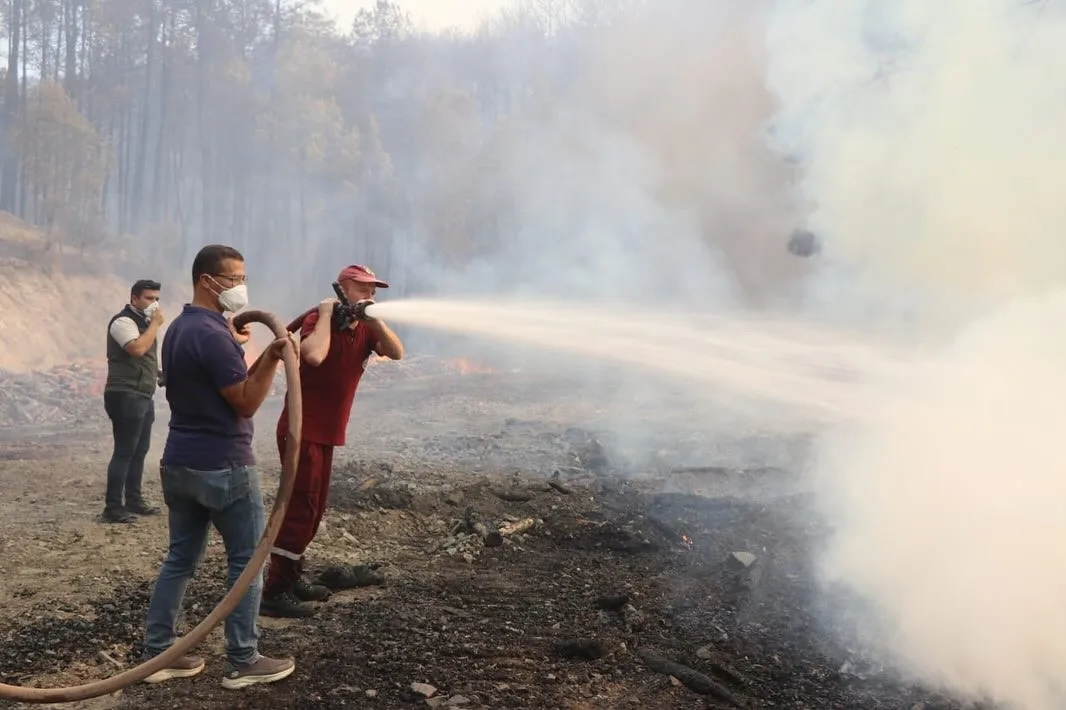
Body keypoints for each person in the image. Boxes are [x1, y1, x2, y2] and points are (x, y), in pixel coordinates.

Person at [141, 244, 297, 689]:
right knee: (247, 561)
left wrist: (234, 345)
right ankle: (243, 659)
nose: (241, 287)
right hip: (225, 466)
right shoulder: (213, 337)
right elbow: (245, 402)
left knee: (181, 559)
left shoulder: (181, 329)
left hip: (180, 463)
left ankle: (159, 652)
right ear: (207, 281)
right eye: (234, 279)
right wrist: (268, 359)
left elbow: (202, 373)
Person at [259, 264, 404, 618]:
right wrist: (325, 314)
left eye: (374, 290)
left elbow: (396, 352)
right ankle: (275, 591)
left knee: (312, 509)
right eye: (363, 289)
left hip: (326, 432)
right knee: (298, 510)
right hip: (300, 430)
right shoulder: (316, 322)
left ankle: (291, 579)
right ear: (343, 289)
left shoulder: (367, 329)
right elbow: (313, 355)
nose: (371, 295)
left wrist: (375, 319)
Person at [103, 279, 164, 524]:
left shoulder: (145, 324)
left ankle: (134, 500)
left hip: (142, 394)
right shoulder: (123, 322)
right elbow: (137, 349)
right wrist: (156, 325)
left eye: (157, 298)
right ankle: (113, 508)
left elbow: (145, 358)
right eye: (149, 298)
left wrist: (158, 374)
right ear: (134, 298)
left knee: (140, 450)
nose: (154, 303)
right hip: (125, 394)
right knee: (125, 451)